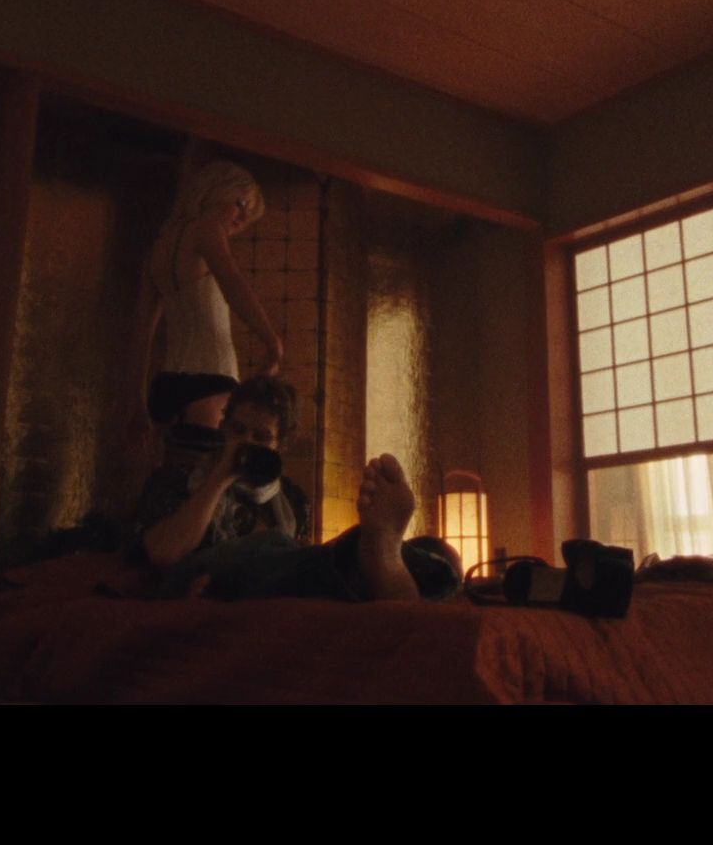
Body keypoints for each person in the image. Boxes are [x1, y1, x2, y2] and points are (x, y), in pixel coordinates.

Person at [134, 375, 461, 603]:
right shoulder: (180, 478)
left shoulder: (291, 500)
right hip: (201, 577)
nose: (246, 442)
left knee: (436, 550)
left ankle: (389, 563)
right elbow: (163, 553)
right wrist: (220, 476)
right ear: (222, 427)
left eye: (261, 437)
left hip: (268, 582)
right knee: (269, 543)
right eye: (238, 430)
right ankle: (372, 559)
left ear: (281, 445)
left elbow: (295, 566)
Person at [123, 146, 284, 482]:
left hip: (165, 388)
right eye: (240, 204)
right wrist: (272, 341)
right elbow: (234, 284)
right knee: (208, 488)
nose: (240, 219)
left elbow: (142, 332)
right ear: (215, 191)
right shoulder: (206, 228)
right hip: (211, 381)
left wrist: (138, 400)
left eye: (247, 214)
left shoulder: (159, 248)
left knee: (166, 487)